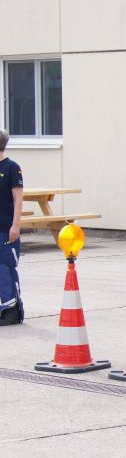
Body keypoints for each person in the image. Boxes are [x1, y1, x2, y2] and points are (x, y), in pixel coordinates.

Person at [0, 130, 24, 326]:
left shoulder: (11, 168)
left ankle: (12, 309)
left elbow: (18, 199)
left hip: (5, 229)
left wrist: (15, 225)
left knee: (6, 268)